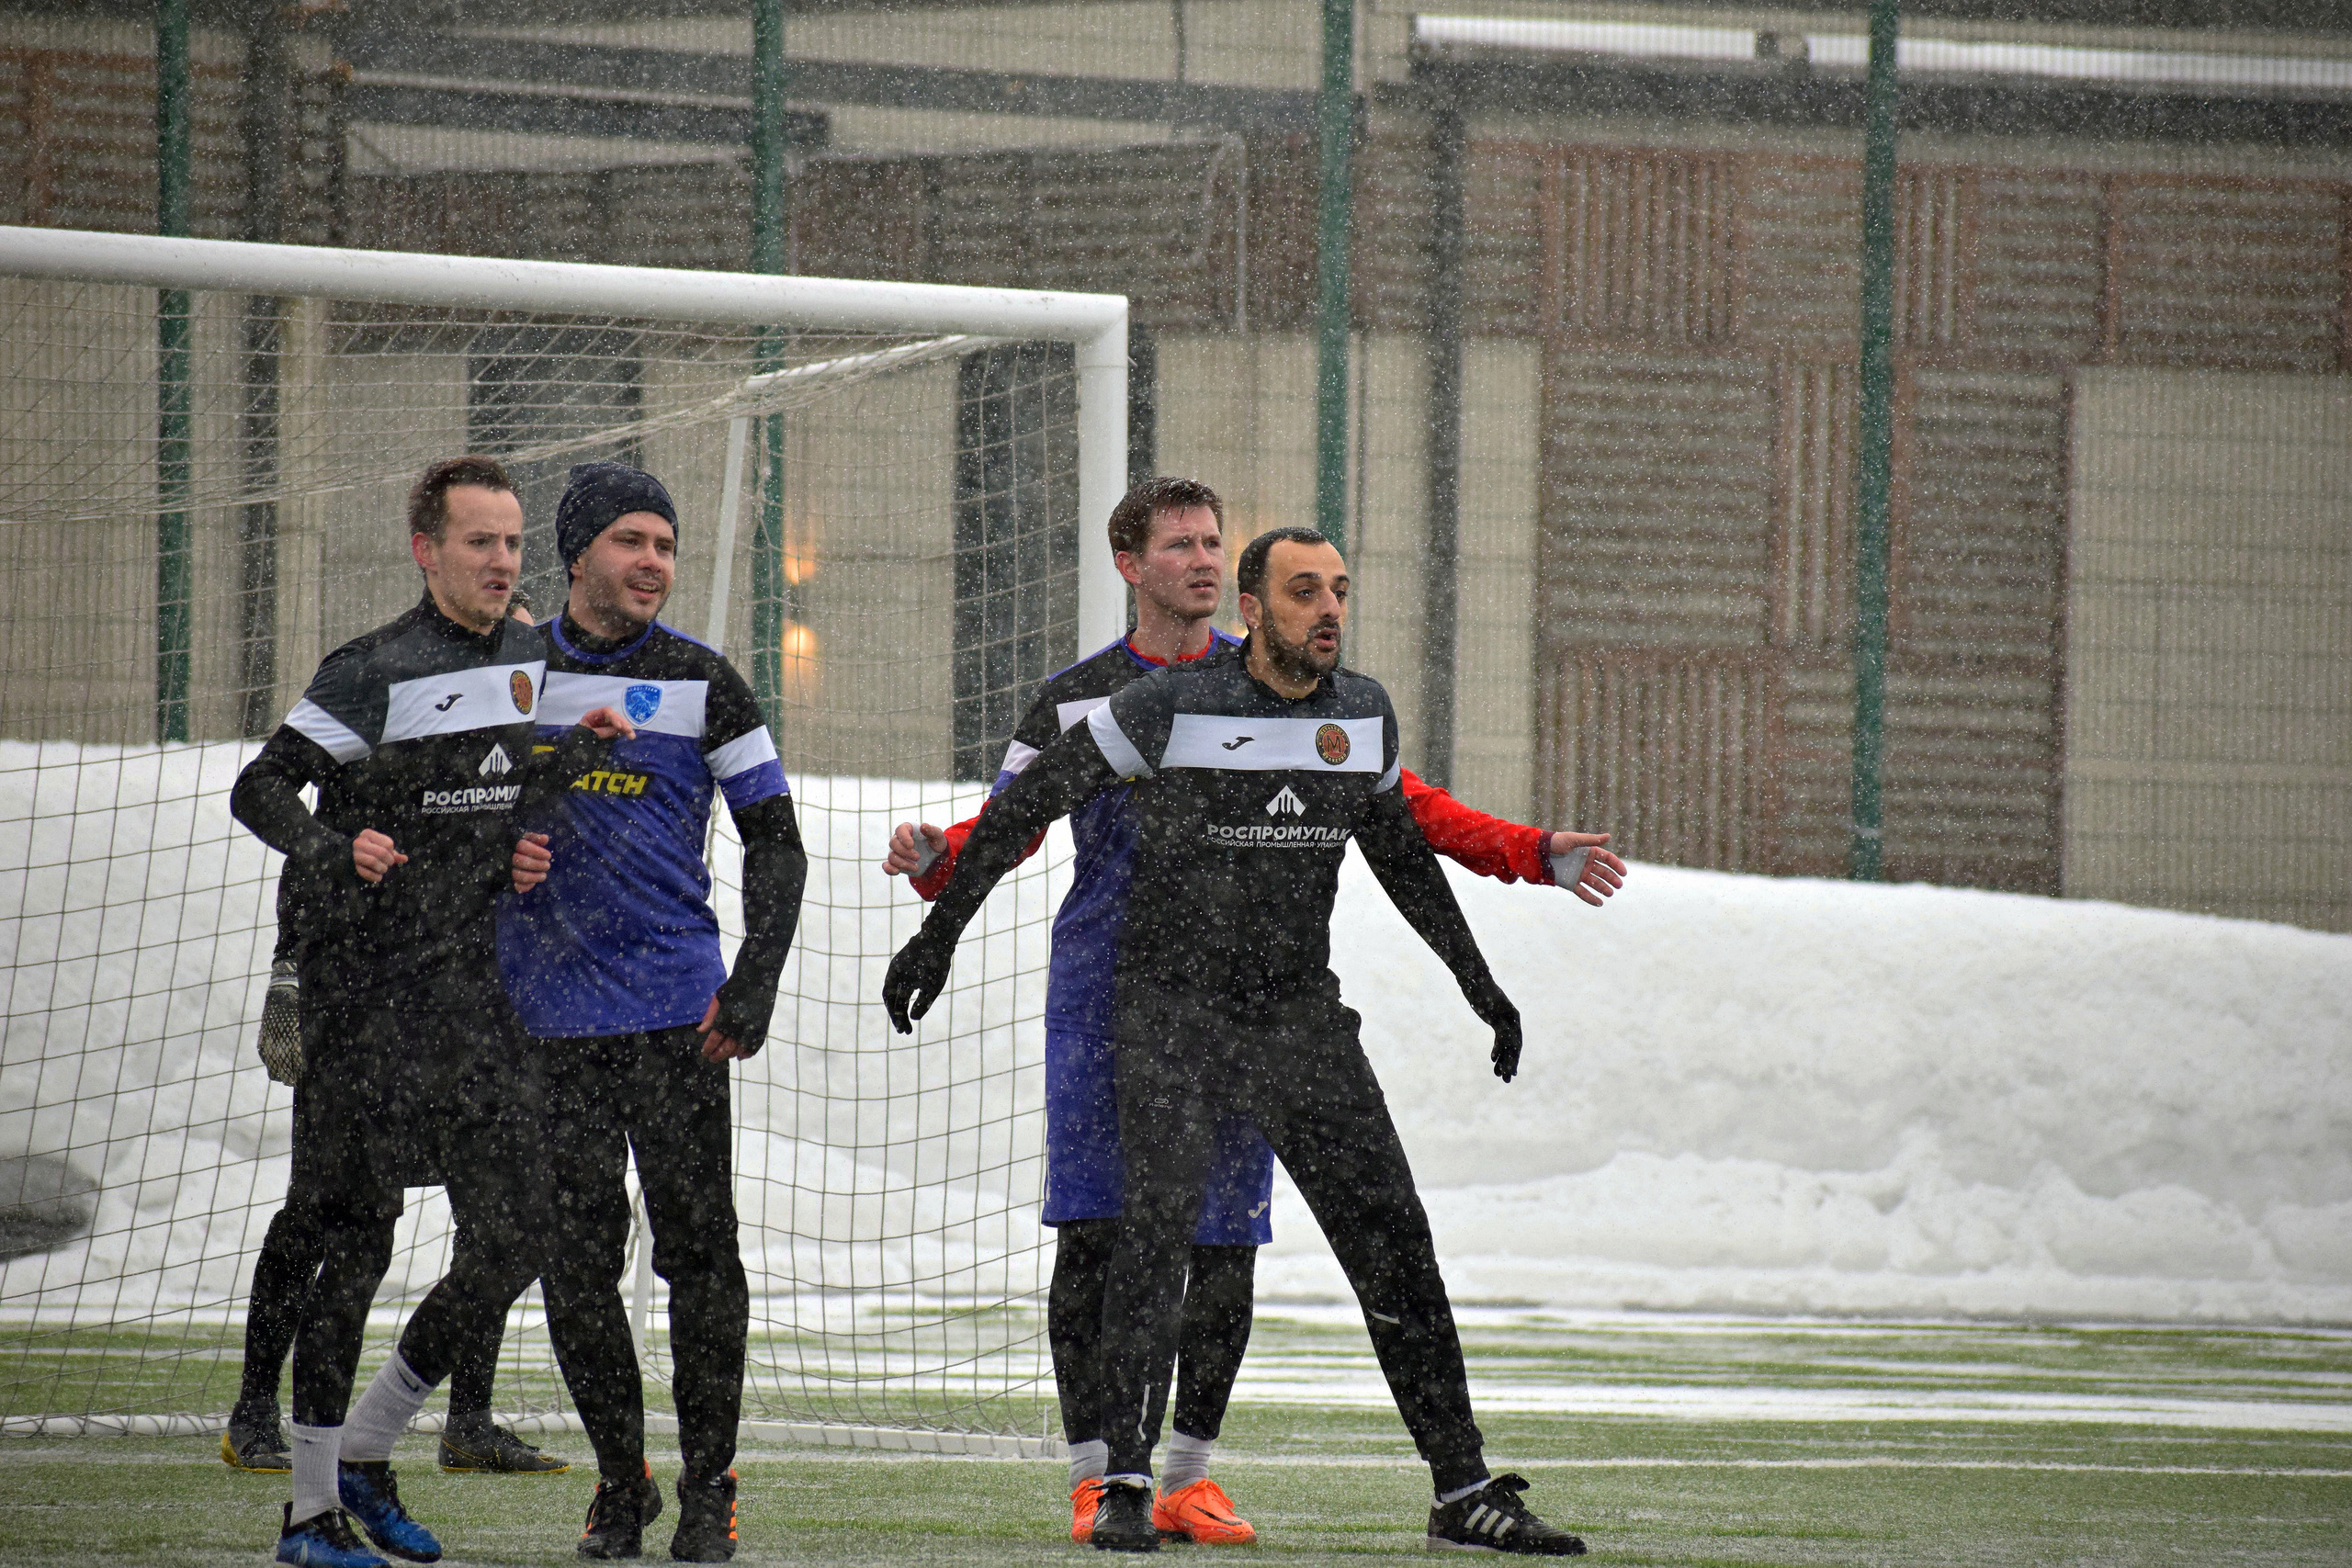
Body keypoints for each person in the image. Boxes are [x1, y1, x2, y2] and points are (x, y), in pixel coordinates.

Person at [879, 479, 1623, 1546]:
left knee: (1390, 1239)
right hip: (1166, 1012)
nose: (1328, 609)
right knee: (1145, 1239)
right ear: (1253, 604)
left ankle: (1461, 1491)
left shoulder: (1358, 713)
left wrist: (1478, 984)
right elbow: (1027, 807)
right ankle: (1122, 1484)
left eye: (1340, 591)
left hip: (1296, 1023)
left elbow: (1406, 857)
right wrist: (935, 934)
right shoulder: (1164, 706)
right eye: (1304, 591)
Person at [230, 457, 632, 1568]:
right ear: (426, 550)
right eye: (479, 543)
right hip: (363, 998)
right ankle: (309, 1516)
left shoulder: (528, 653)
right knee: (351, 1245)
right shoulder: (373, 668)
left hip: (470, 995)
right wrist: (333, 844)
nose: (502, 562)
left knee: (522, 1227)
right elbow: (260, 787)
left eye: (511, 544)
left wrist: (545, 800)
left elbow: (504, 772)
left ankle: (370, 1444)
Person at [496, 461, 808, 1562]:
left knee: (701, 1258)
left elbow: (775, 837)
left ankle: (708, 1485)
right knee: (577, 1262)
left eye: (666, 547)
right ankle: (620, 1486)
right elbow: (454, 820)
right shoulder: (509, 676)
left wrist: (757, 978)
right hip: (545, 1021)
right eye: (631, 541)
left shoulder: (704, 680)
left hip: (681, 1015)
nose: (652, 563)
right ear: (576, 554)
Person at [228, 589, 568, 1483]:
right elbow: (277, 799)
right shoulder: (378, 687)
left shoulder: (507, 741)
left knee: (488, 1213)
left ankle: (470, 1417)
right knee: (326, 1213)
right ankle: (261, 1410)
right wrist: (299, 958)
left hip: (470, 1006)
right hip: (356, 1002)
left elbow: (502, 840)